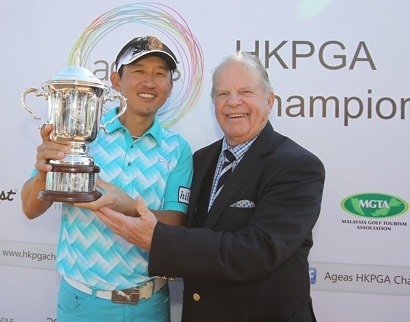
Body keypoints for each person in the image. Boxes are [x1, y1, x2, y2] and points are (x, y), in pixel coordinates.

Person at [90, 51, 326, 322]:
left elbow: (258, 250)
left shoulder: (298, 166)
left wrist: (157, 239)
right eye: (222, 94)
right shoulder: (202, 159)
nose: (233, 102)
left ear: (269, 100)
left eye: (246, 91)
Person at [20, 36, 193, 322]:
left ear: (170, 86)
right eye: (138, 71)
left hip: (149, 305)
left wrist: (128, 205)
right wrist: (42, 174)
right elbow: (29, 208)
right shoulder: (80, 131)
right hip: (82, 304)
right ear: (115, 80)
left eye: (160, 73)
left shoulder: (177, 148)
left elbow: (176, 221)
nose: (149, 82)